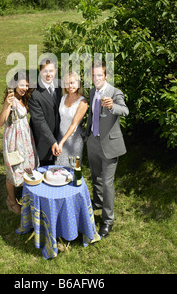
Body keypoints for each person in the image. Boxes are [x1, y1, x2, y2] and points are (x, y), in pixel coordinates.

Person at [86, 61, 129, 238]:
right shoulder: (91, 92)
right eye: (93, 75)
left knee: (107, 183)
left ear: (105, 76)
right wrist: (87, 134)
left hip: (109, 145)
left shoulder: (114, 92)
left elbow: (125, 111)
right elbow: (91, 115)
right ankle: (98, 203)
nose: (96, 78)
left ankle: (107, 220)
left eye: (99, 75)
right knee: (95, 176)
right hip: (93, 142)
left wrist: (112, 106)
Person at [0, 71, 38, 215]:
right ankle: (11, 201)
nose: (24, 88)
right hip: (14, 140)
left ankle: (25, 198)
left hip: (25, 138)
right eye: (22, 85)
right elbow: (0, 122)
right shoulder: (11, 100)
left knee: (26, 166)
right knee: (13, 170)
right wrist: (6, 105)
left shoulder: (22, 99)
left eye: (27, 85)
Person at [28, 58, 62, 166]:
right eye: (45, 71)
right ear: (39, 72)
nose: (48, 74)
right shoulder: (34, 93)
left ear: (55, 71)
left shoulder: (62, 86)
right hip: (43, 140)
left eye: (51, 71)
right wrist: (52, 141)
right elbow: (39, 121)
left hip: (61, 139)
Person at [55, 71, 88, 168]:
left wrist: (61, 142)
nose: (70, 86)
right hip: (60, 137)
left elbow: (73, 125)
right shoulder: (63, 97)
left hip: (73, 141)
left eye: (72, 83)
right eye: (67, 83)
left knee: (71, 169)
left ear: (78, 84)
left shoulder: (82, 102)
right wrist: (59, 141)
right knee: (58, 168)